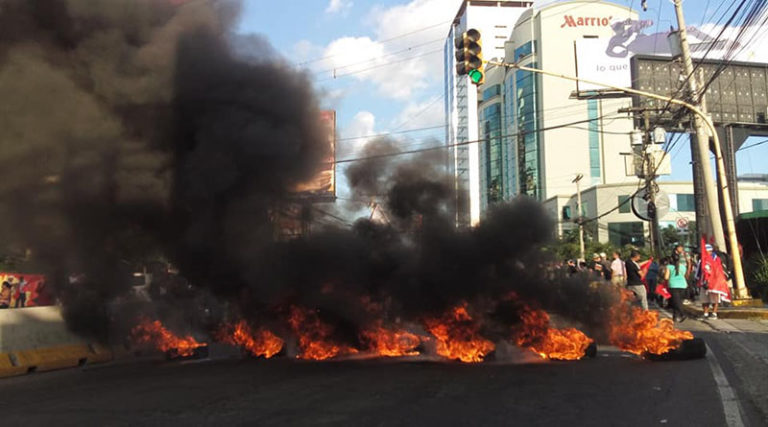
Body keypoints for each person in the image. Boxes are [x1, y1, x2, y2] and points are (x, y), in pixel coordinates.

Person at [668, 252, 689, 322]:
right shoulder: (683, 267)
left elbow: (666, 277)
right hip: (683, 285)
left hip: (673, 285)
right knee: (677, 301)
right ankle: (675, 316)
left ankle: (682, 313)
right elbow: (685, 275)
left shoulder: (669, 267)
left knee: (677, 302)